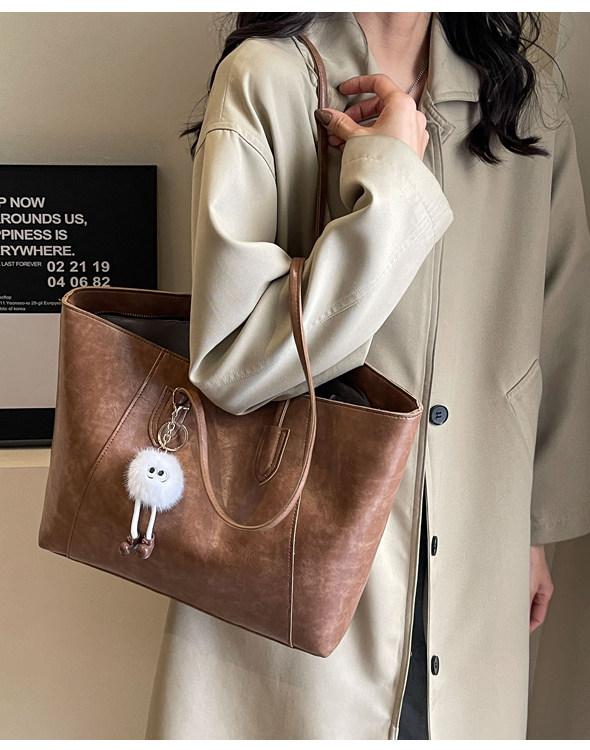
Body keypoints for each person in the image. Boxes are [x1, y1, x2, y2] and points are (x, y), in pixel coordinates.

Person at [145, 12, 590, 740]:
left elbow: (557, 322)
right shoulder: (265, 79)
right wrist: (392, 181)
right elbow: (234, 362)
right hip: (296, 548)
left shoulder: (524, 98)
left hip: (477, 542)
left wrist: (532, 529)